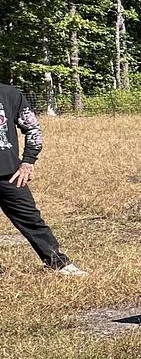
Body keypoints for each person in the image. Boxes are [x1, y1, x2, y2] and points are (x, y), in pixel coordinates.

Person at [0, 84, 85, 276]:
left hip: (10, 175)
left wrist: (28, 162)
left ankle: (58, 263)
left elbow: (33, 129)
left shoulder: (10, 94)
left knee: (32, 220)